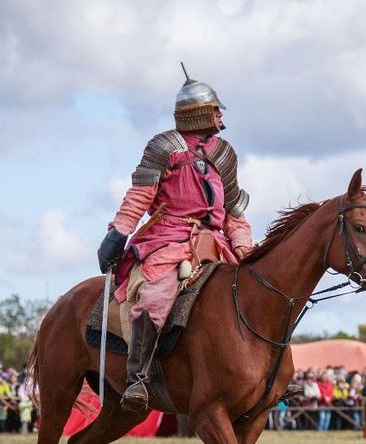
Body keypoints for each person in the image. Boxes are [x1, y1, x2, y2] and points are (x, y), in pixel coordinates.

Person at [97, 65, 258, 412]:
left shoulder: (225, 154)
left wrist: (244, 245)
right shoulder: (163, 147)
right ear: (201, 112)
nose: (220, 116)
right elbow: (139, 197)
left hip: (216, 244)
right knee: (155, 298)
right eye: (216, 110)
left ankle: (266, 377)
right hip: (168, 239)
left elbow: (234, 212)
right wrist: (118, 233)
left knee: (256, 293)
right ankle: (137, 378)